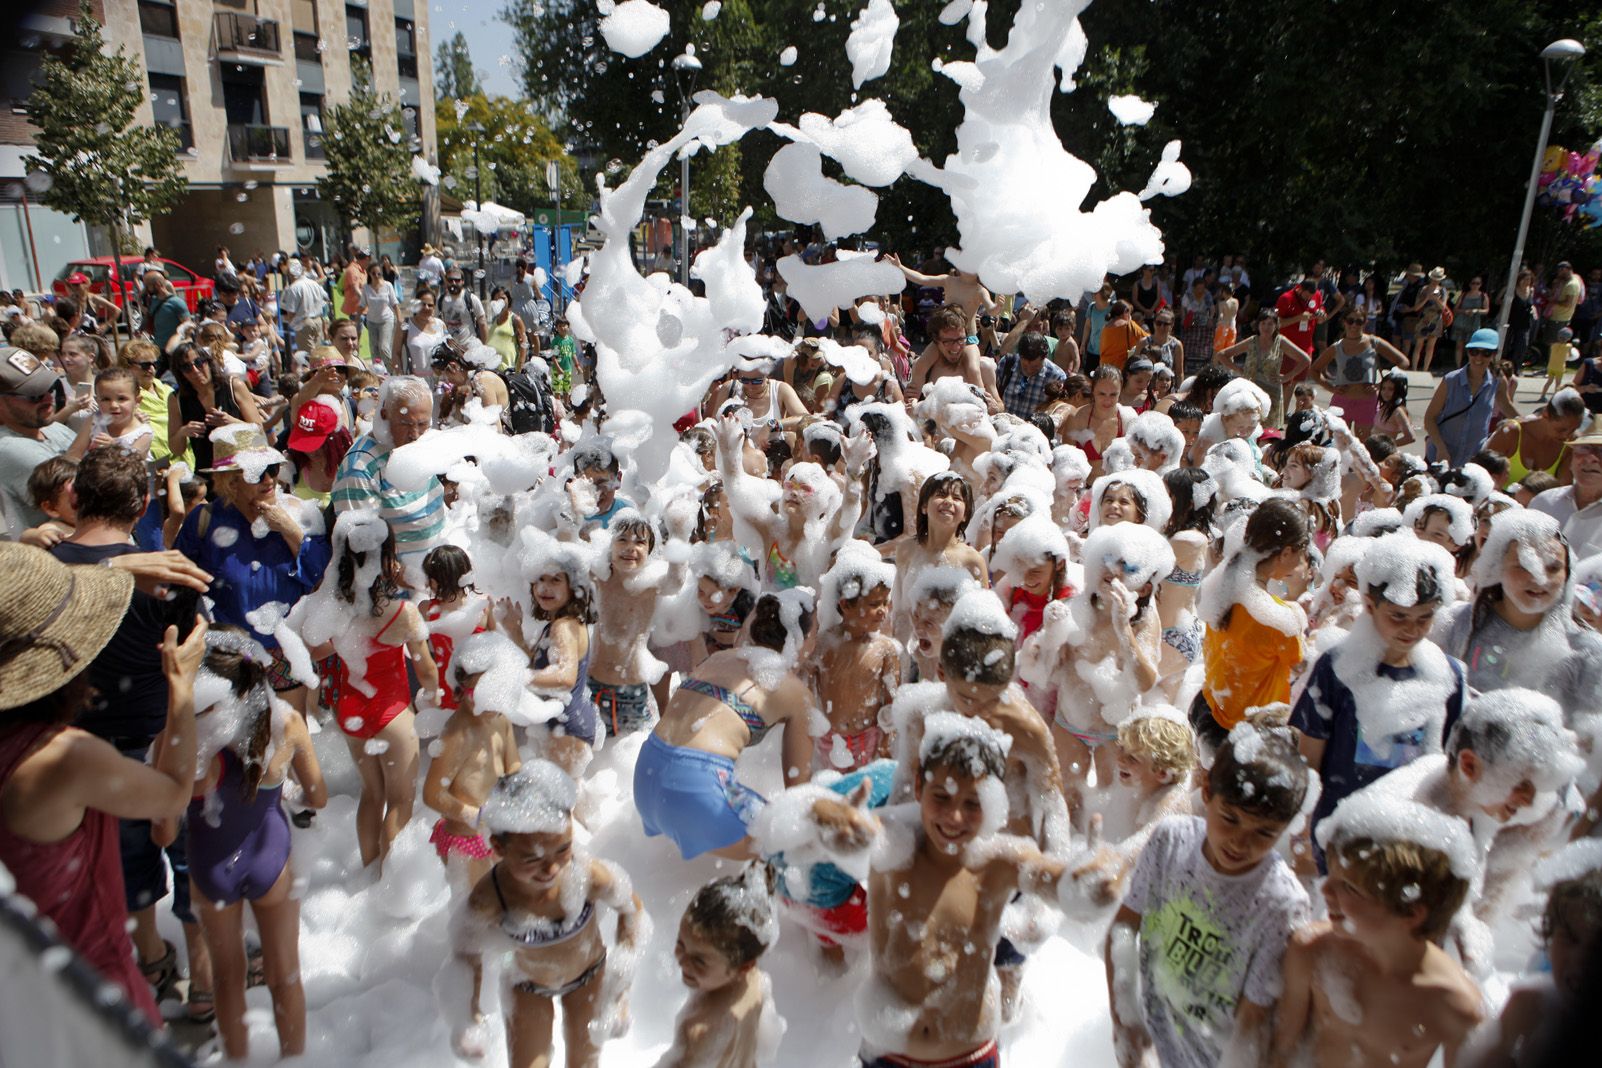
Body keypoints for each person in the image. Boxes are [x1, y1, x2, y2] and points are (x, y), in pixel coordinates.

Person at [0, 542, 210, 1023]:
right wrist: (180, 686)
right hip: (89, 1000)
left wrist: (108, 567)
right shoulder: (63, 759)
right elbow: (173, 794)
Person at [860, 712, 1076, 1068]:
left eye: (972, 803)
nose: (954, 817)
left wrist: (1089, 881)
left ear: (994, 804)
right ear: (918, 788)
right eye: (941, 797)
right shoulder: (889, 844)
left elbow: (1060, 882)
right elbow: (844, 832)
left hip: (970, 1056)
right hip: (888, 1053)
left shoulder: (1000, 863)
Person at [153, 626, 325, 1061]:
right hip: (273, 860)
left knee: (227, 978)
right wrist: (283, 791)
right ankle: (293, 1060)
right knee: (285, 976)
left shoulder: (185, 743)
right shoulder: (284, 721)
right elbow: (318, 796)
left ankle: (237, 1060)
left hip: (210, 867)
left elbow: (163, 833)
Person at [1105, 724, 1310, 1068]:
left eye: (1264, 833)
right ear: (1205, 791)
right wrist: (1123, 1019)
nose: (1240, 842)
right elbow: (1123, 928)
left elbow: (1254, 1018)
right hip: (1153, 1041)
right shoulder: (1170, 841)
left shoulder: (1281, 903)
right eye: (1230, 818)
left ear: (1286, 828)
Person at [447, 764, 647, 1065]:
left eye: (563, 849)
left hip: (588, 977)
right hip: (528, 986)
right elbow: (466, 951)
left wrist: (620, 988)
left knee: (584, 1062)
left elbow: (632, 910)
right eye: (532, 858)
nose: (551, 868)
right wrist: (469, 1014)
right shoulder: (492, 896)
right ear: (498, 847)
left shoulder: (586, 873)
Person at [1291, 532, 1466, 869]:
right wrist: (1302, 832)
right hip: (1336, 829)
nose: (1411, 630)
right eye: (1398, 616)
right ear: (1370, 606)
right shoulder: (1339, 668)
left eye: (1424, 618)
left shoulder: (1447, 677)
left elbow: (1447, 770)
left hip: (1406, 841)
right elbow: (1308, 760)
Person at [1273, 794, 1481, 1068]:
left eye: (1349, 887)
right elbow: (1279, 1052)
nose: (1325, 889)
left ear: (1411, 912)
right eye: (1331, 875)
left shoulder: (1453, 1005)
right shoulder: (1311, 950)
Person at [635, 590, 819, 860]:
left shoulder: (720, 658)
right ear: (802, 639)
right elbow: (798, 792)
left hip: (645, 777)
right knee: (792, 842)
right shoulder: (797, 693)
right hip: (694, 791)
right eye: (816, 632)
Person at [305, 511, 441, 871]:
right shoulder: (402, 613)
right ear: (387, 557)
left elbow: (315, 649)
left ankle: (368, 871)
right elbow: (425, 668)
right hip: (392, 714)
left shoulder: (336, 611)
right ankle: (388, 884)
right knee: (400, 800)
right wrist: (434, 695)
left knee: (372, 794)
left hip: (351, 710)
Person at [1193, 497, 1309, 749]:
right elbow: (1301, 667)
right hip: (1246, 731)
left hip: (1209, 709)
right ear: (1286, 552)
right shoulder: (1278, 620)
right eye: (1300, 554)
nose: (1300, 563)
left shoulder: (1222, 583)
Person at [423, 630, 523, 891]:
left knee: (502, 901)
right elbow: (432, 794)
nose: (489, 700)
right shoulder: (457, 734)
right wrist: (473, 816)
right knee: (476, 909)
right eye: (480, 693)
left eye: (495, 690)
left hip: (495, 831)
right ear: (458, 694)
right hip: (463, 838)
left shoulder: (501, 719)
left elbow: (512, 764)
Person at [658, 868, 782, 1068]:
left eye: (699, 961)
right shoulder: (756, 982)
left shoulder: (697, 1030)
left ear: (743, 966)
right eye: (680, 944)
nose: (682, 961)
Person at [332, 375, 448, 570]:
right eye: (406, 424)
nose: (415, 434)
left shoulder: (417, 446)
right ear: (385, 415)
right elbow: (361, 550)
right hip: (395, 590)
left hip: (430, 577)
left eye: (422, 424)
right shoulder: (360, 468)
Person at [812, 545, 899, 771]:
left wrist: (886, 742)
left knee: (861, 791)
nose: (883, 611)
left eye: (885, 603)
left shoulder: (885, 650)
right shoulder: (825, 643)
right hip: (829, 737)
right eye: (874, 604)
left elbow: (892, 701)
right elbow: (807, 688)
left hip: (868, 737)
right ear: (845, 605)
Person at [0, 346, 81, 537]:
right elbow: (86, 500)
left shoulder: (50, 427)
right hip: (54, 562)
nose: (48, 398)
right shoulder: (8, 448)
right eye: (33, 395)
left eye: (50, 388)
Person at [166, 339, 263, 472]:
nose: (195, 370)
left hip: (243, 470)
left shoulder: (233, 386)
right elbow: (176, 449)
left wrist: (230, 422)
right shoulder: (176, 399)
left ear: (208, 362)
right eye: (187, 367)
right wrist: (183, 432)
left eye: (199, 362)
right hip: (208, 474)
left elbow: (259, 431)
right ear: (181, 373)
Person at [1309, 310, 1408, 438]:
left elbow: (1403, 362)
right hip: (1341, 402)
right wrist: (1330, 387)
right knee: (1337, 445)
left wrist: (1381, 385)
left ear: (1365, 322)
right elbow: (1314, 370)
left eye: (1359, 321)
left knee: (1365, 448)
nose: (1354, 325)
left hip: (1367, 402)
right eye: (1350, 321)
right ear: (1344, 322)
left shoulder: (1374, 342)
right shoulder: (1336, 347)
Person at [1216, 309, 1309, 430]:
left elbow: (1305, 360)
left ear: (1276, 326)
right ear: (1258, 325)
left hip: (1271, 395)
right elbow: (1222, 355)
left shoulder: (1280, 342)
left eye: (1270, 324)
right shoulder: (1252, 341)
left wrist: (1287, 376)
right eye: (1263, 323)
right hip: (1250, 393)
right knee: (1246, 428)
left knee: (1267, 433)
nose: (1266, 327)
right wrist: (1239, 370)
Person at [1424, 328, 1501, 467]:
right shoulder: (1451, 380)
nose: (1478, 358)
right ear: (1468, 352)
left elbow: (1510, 410)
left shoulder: (1498, 382)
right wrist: (1441, 449)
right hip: (1440, 458)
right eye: (1474, 352)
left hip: (1471, 463)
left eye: (1486, 353)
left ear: (1494, 355)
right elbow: (1429, 418)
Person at [1484, 388, 1584, 485]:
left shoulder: (1571, 443)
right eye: (1561, 430)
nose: (1567, 435)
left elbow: (1561, 490)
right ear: (1546, 414)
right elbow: (1483, 477)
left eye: (1574, 429)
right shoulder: (1511, 433)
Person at [1530, 428, 1602, 559]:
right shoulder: (1543, 503)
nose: (1591, 458)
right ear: (1571, 461)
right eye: (1584, 449)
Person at [995, 332, 1067, 418]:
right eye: (1024, 366)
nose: (1029, 370)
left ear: (1045, 357)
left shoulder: (1057, 377)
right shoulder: (1007, 364)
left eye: (1035, 367)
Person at [359, 261, 400, 370]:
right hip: (372, 321)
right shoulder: (366, 288)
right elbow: (362, 305)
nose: (376, 276)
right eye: (373, 273)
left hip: (386, 319)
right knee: (374, 349)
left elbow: (394, 303)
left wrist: (400, 318)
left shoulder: (388, 286)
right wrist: (355, 320)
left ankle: (391, 370)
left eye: (379, 274)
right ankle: (378, 372)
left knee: (384, 347)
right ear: (369, 274)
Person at [1409, 266, 1450, 372]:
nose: (1436, 280)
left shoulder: (1443, 291)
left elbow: (1443, 307)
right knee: (1419, 345)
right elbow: (1416, 307)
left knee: (1430, 347)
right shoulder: (1423, 289)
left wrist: (1436, 299)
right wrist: (1426, 298)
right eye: (1434, 278)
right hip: (1424, 319)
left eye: (1438, 278)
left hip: (1436, 320)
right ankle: (1414, 369)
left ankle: (1425, 369)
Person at [401, 289, 447, 378]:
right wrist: (400, 374)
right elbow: (396, 352)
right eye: (422, 304)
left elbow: (449, 350)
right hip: (415, 380)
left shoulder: (440, 324)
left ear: (434, 307)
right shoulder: (406, 324)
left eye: (430, 305)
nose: (426, 307)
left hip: (439, 381)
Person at [438, 269, 488, 347]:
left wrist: (485, 346)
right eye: (450, 280)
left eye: (457, 280)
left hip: (470, 348)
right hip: (450, 349)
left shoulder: (471, 299)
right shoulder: (441, 301)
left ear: (462, 281)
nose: (453, 283)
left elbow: (483, 323)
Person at [484, 285, 529, 371]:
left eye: (502, 299)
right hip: (492, 370)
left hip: (509, 372)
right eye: (496, 299)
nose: (499, 302)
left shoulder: (515, 320)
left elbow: (524, 345)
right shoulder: (494, 321)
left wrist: (519, 369)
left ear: (508, 300)